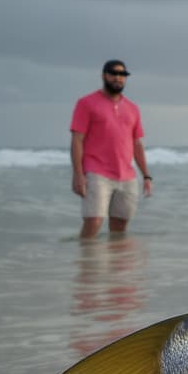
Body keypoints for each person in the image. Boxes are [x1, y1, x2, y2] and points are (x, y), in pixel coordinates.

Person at [69, 59, 152, 239]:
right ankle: (86, 263)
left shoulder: (133, 108)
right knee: (94, 221)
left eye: (122, 75)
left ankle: (114, 265)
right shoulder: (86, 103)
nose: (118, 78)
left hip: (126, 176)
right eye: (114, 73)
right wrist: (78, 175)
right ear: (104, 75)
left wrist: (146, 175)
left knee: (120, 226)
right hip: (96, 172)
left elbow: (137, 144)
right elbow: (77, 140)